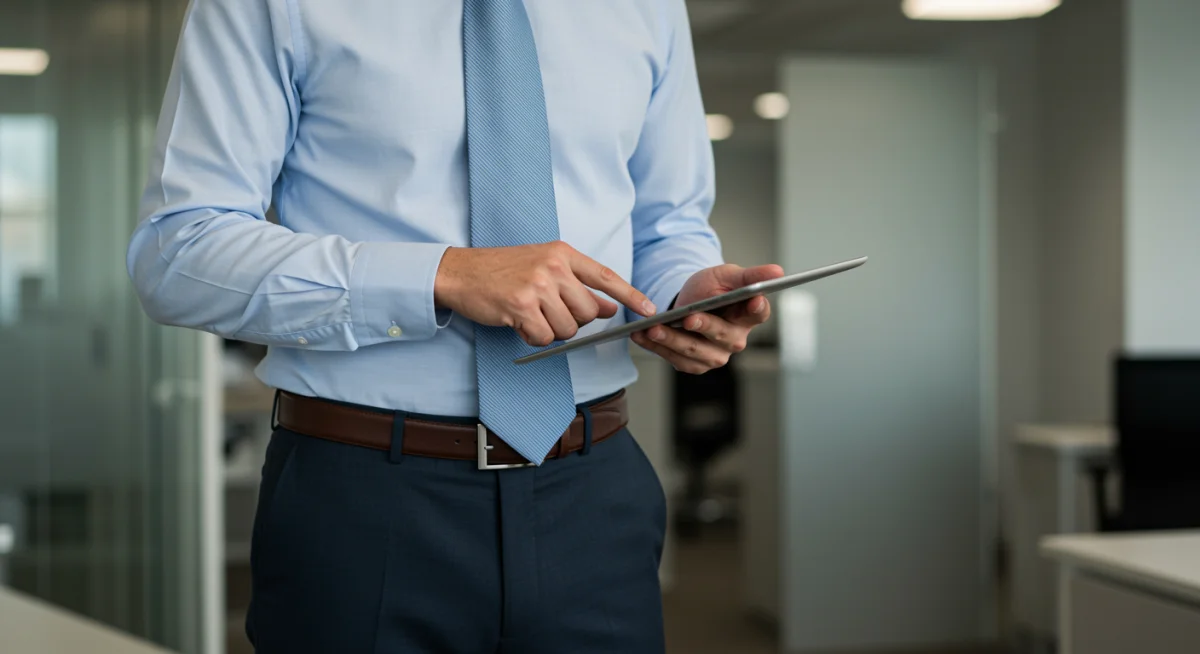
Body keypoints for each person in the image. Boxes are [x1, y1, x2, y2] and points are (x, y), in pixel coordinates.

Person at [127, 0, 781, 652]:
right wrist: (442, 277)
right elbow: (179, 252)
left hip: (594, 491)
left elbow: (670, 227)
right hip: (363, 504)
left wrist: (685, 292)